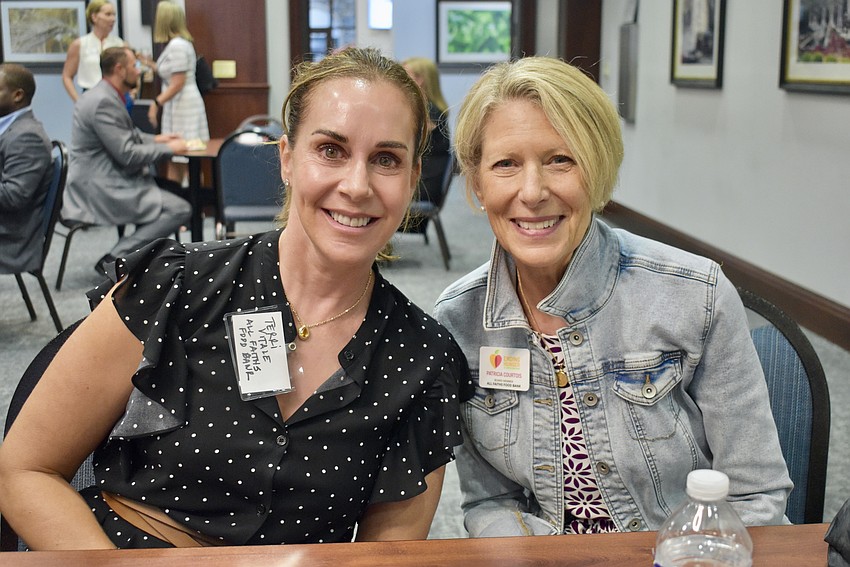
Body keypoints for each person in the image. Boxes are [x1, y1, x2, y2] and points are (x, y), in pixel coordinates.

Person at [0, 46, 472, 549]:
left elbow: (385, 555)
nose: (356, 186)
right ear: (287, 159)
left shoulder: (422, 357)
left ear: (412, 177)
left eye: (386, 159)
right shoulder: (175, 285)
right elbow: (24, 469)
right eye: (330, 150)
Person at [433, 56, 792, 537]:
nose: (532, 190)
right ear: (476, 182)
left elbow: (755, 497)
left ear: (598, 167)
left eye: (561, 159)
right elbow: (491, 502)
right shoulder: (458, 321)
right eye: (506, 164)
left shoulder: (693, 295)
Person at [60, 47, 190, 275]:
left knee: (172, 194)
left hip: (107, 178)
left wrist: (158, 138)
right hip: (101, 187)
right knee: (179, 209)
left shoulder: (104, 95)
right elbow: (128, 155)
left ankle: (139, 262)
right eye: (134, 66)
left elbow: (128, 135)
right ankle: (116, 258)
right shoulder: (103, 102)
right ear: (119, 69)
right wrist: (168, 148)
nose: (138, 71)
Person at [144, 0, 209, 184]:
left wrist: (156, 103)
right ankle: (188, 207)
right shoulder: (177, 44)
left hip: (184, 107)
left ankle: (194, 209)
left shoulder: (177, 46)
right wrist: (149, 64)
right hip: (180, 105)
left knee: (186, 159)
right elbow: (172, 72)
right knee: (178, 160)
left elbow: (177, 82)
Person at [0, 63, 52, 275]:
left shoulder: (27, 137)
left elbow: (13, 197)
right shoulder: (10, 128)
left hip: (12, 238)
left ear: (17, 95)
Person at [402, 57, 450, 206]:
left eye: (405, 75)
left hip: (422, 191)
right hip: (421, 184)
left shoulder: (429, 113)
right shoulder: (432, 109)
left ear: (420, 79)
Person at [61, 0, 126, 104]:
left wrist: (133, 93)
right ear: (94, 17)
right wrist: (78, 101)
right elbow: (66, 76)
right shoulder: (80, 44)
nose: (113, 19)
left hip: (116, 97)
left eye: (114, 15)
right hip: (89, 95)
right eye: (108, 14)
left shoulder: (120, 45)